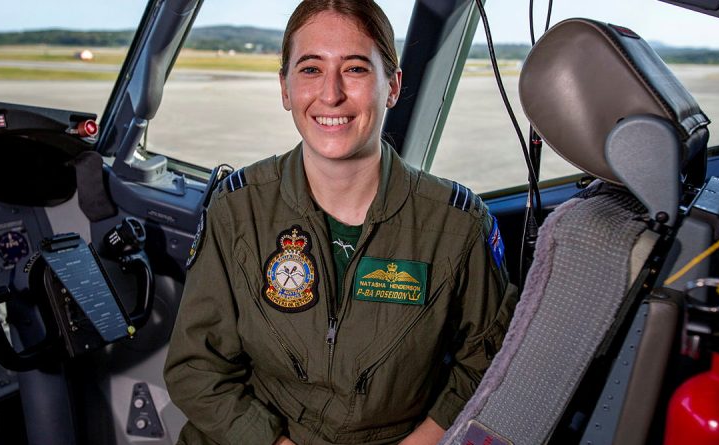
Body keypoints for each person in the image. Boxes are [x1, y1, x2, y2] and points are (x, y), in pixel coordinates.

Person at [164, 1, 518, 444]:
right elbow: (196, 367)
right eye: (310, 69)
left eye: (355, 69)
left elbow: (490, 364)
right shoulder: (237, 210)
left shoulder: (457, 226)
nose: (330, 94)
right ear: (285, 88)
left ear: (392, 86)